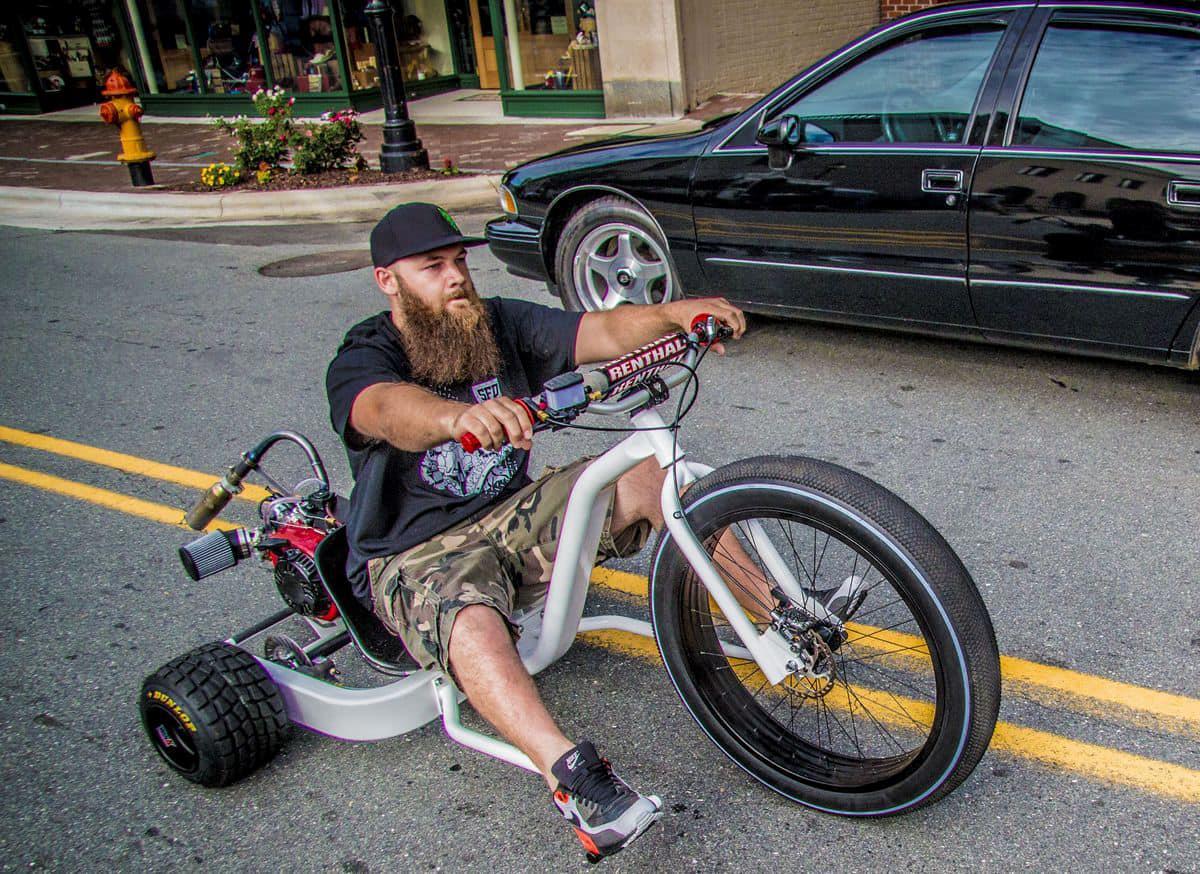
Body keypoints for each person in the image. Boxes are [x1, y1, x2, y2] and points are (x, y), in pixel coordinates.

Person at [326, 202, 745, 859]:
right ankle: (574, 781)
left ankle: (787, 619)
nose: (456, 276)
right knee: (466, 613)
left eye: (459, 260)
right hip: (416, 554)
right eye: (432, 267)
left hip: (511, 516)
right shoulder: (367, 352)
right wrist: (453, 419)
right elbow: (381, 408)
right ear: (388, 280)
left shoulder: (496, 323)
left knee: (649, 475)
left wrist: (672, 315)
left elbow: (599, 330)